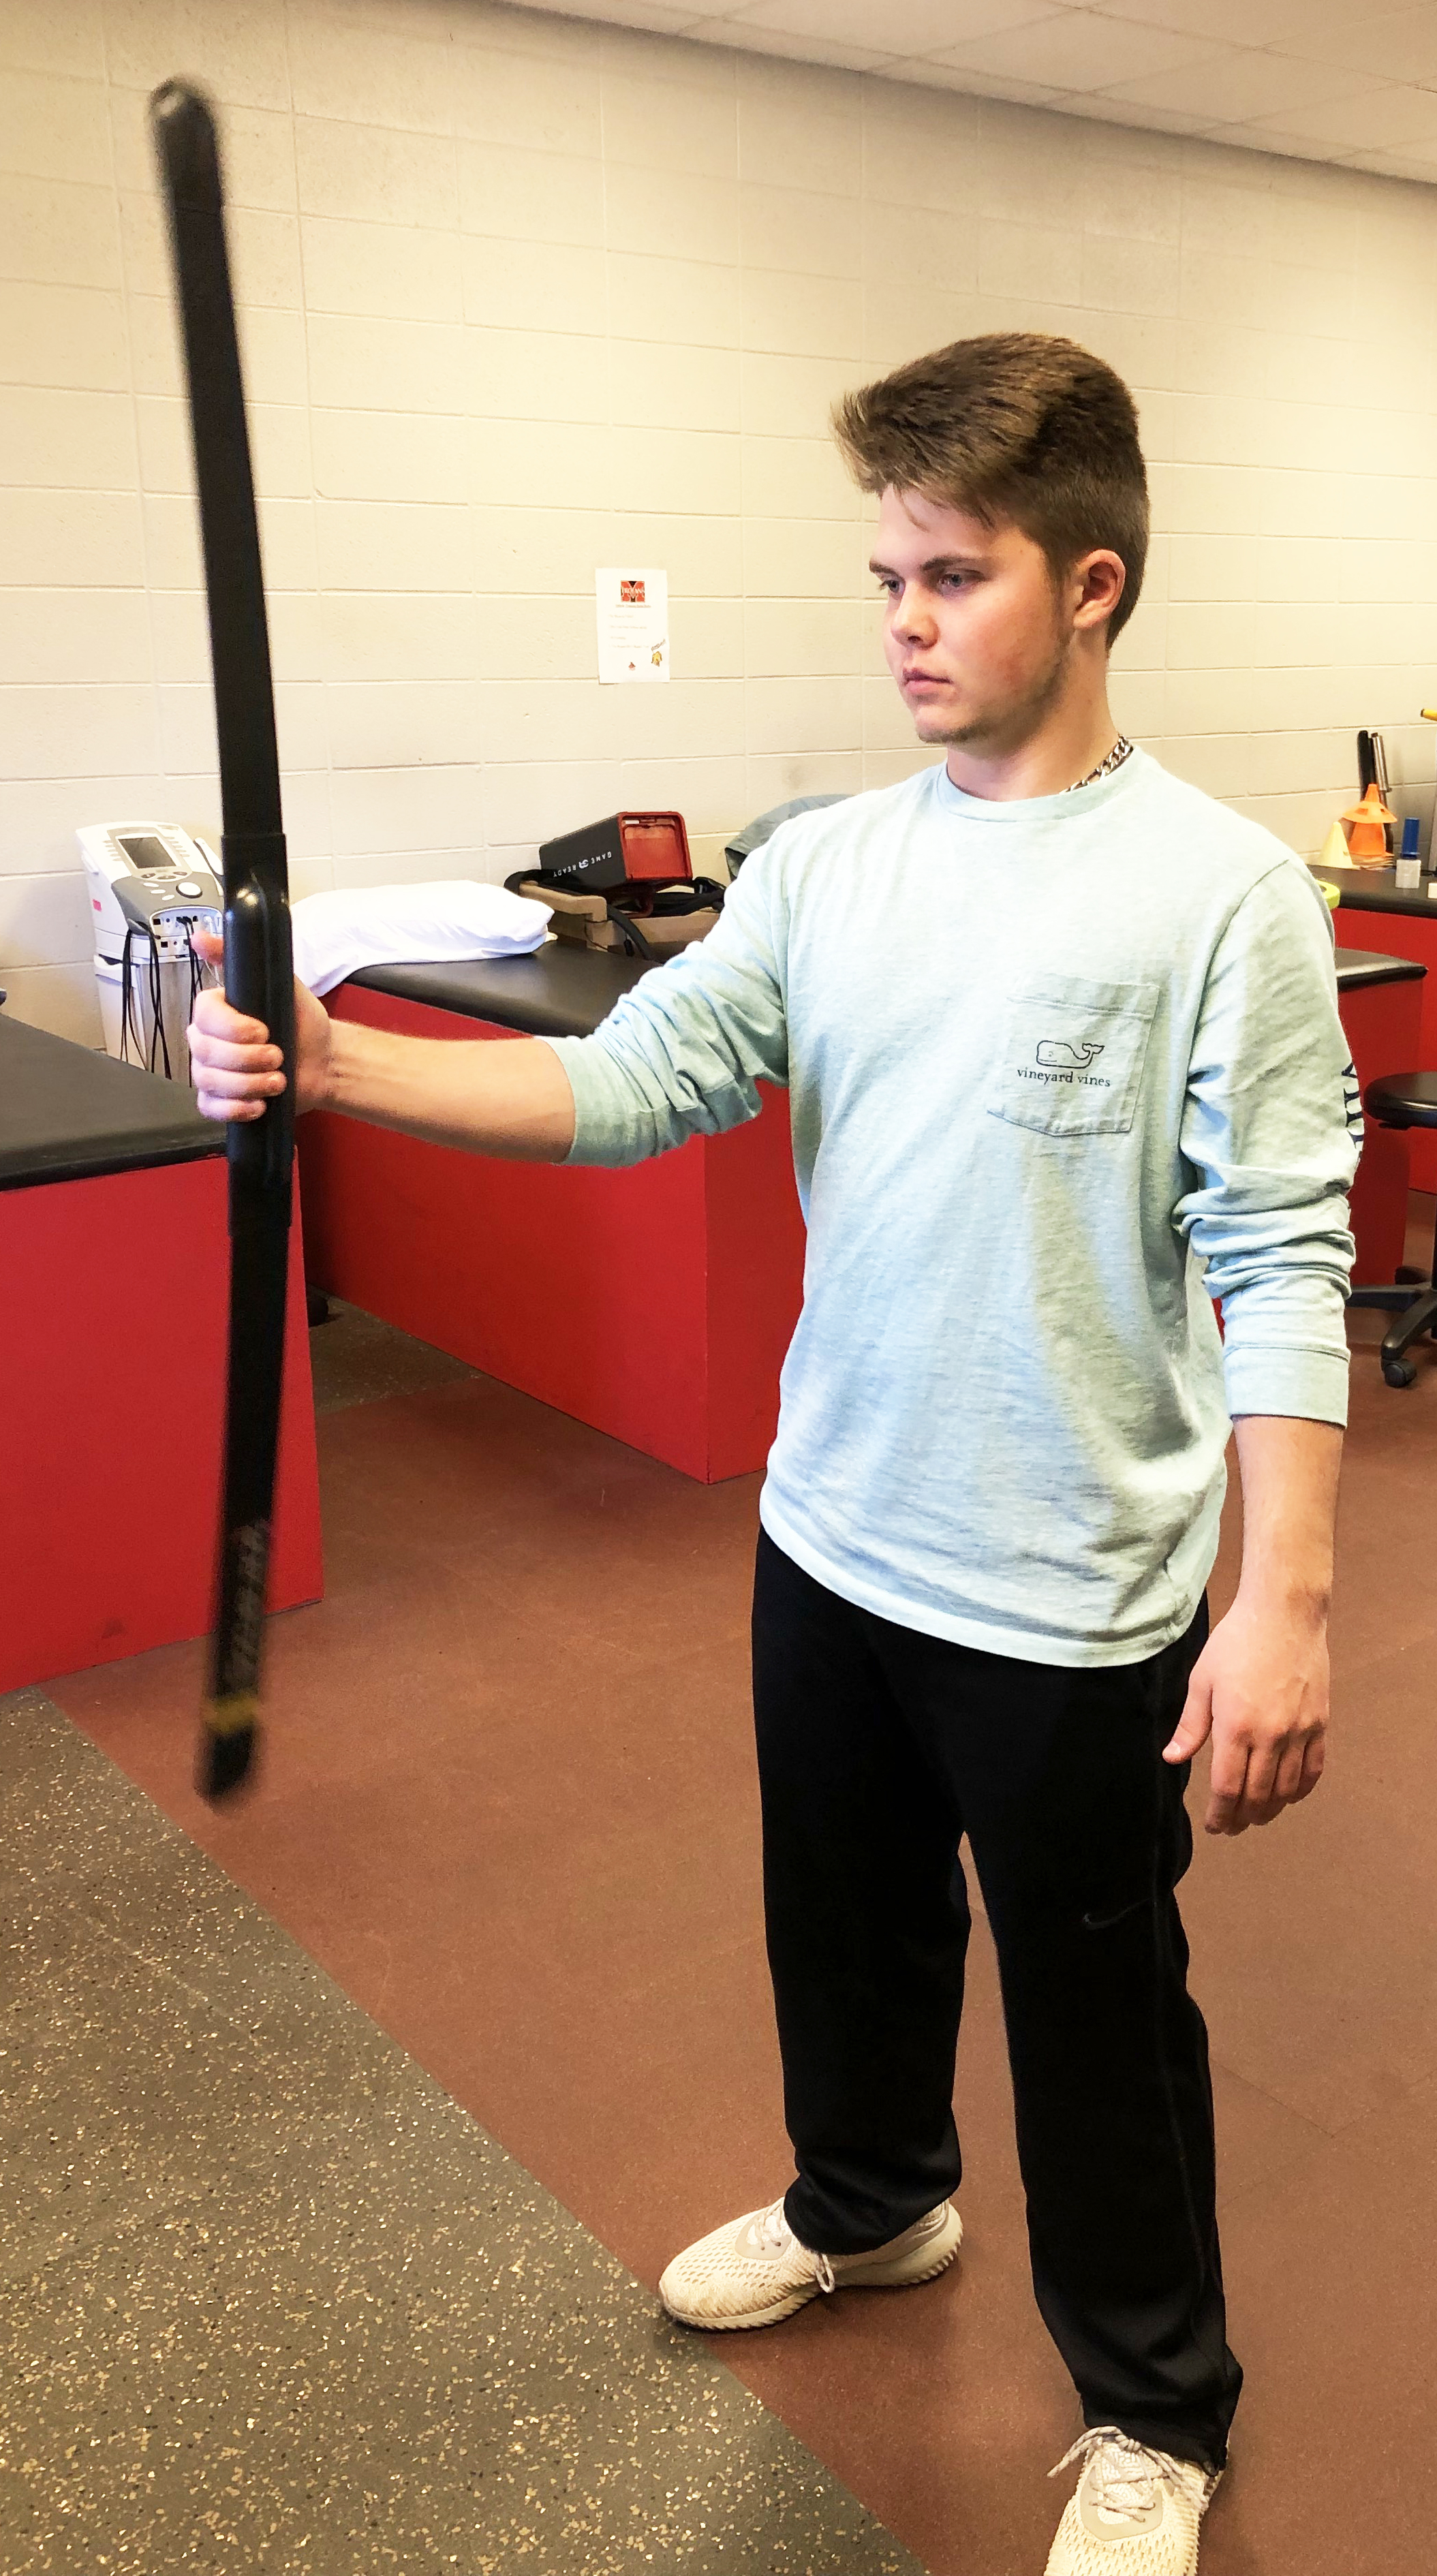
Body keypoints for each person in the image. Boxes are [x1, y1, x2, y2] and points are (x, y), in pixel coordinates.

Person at [189, 333, 1358, 2576]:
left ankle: (1156, 2406)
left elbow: (1282, 1257)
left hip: (1071, 1588)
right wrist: (339, 1072)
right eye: (884, 578)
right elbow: (639, 1083)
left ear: (1093, 584)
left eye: (953, 576)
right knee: (843, 1934)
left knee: (1099, 2015)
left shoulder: (1223, 896)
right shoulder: (825, 867)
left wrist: (1281, 1597)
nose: (904, 623)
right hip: (832, 1532)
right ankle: (871, 2203)